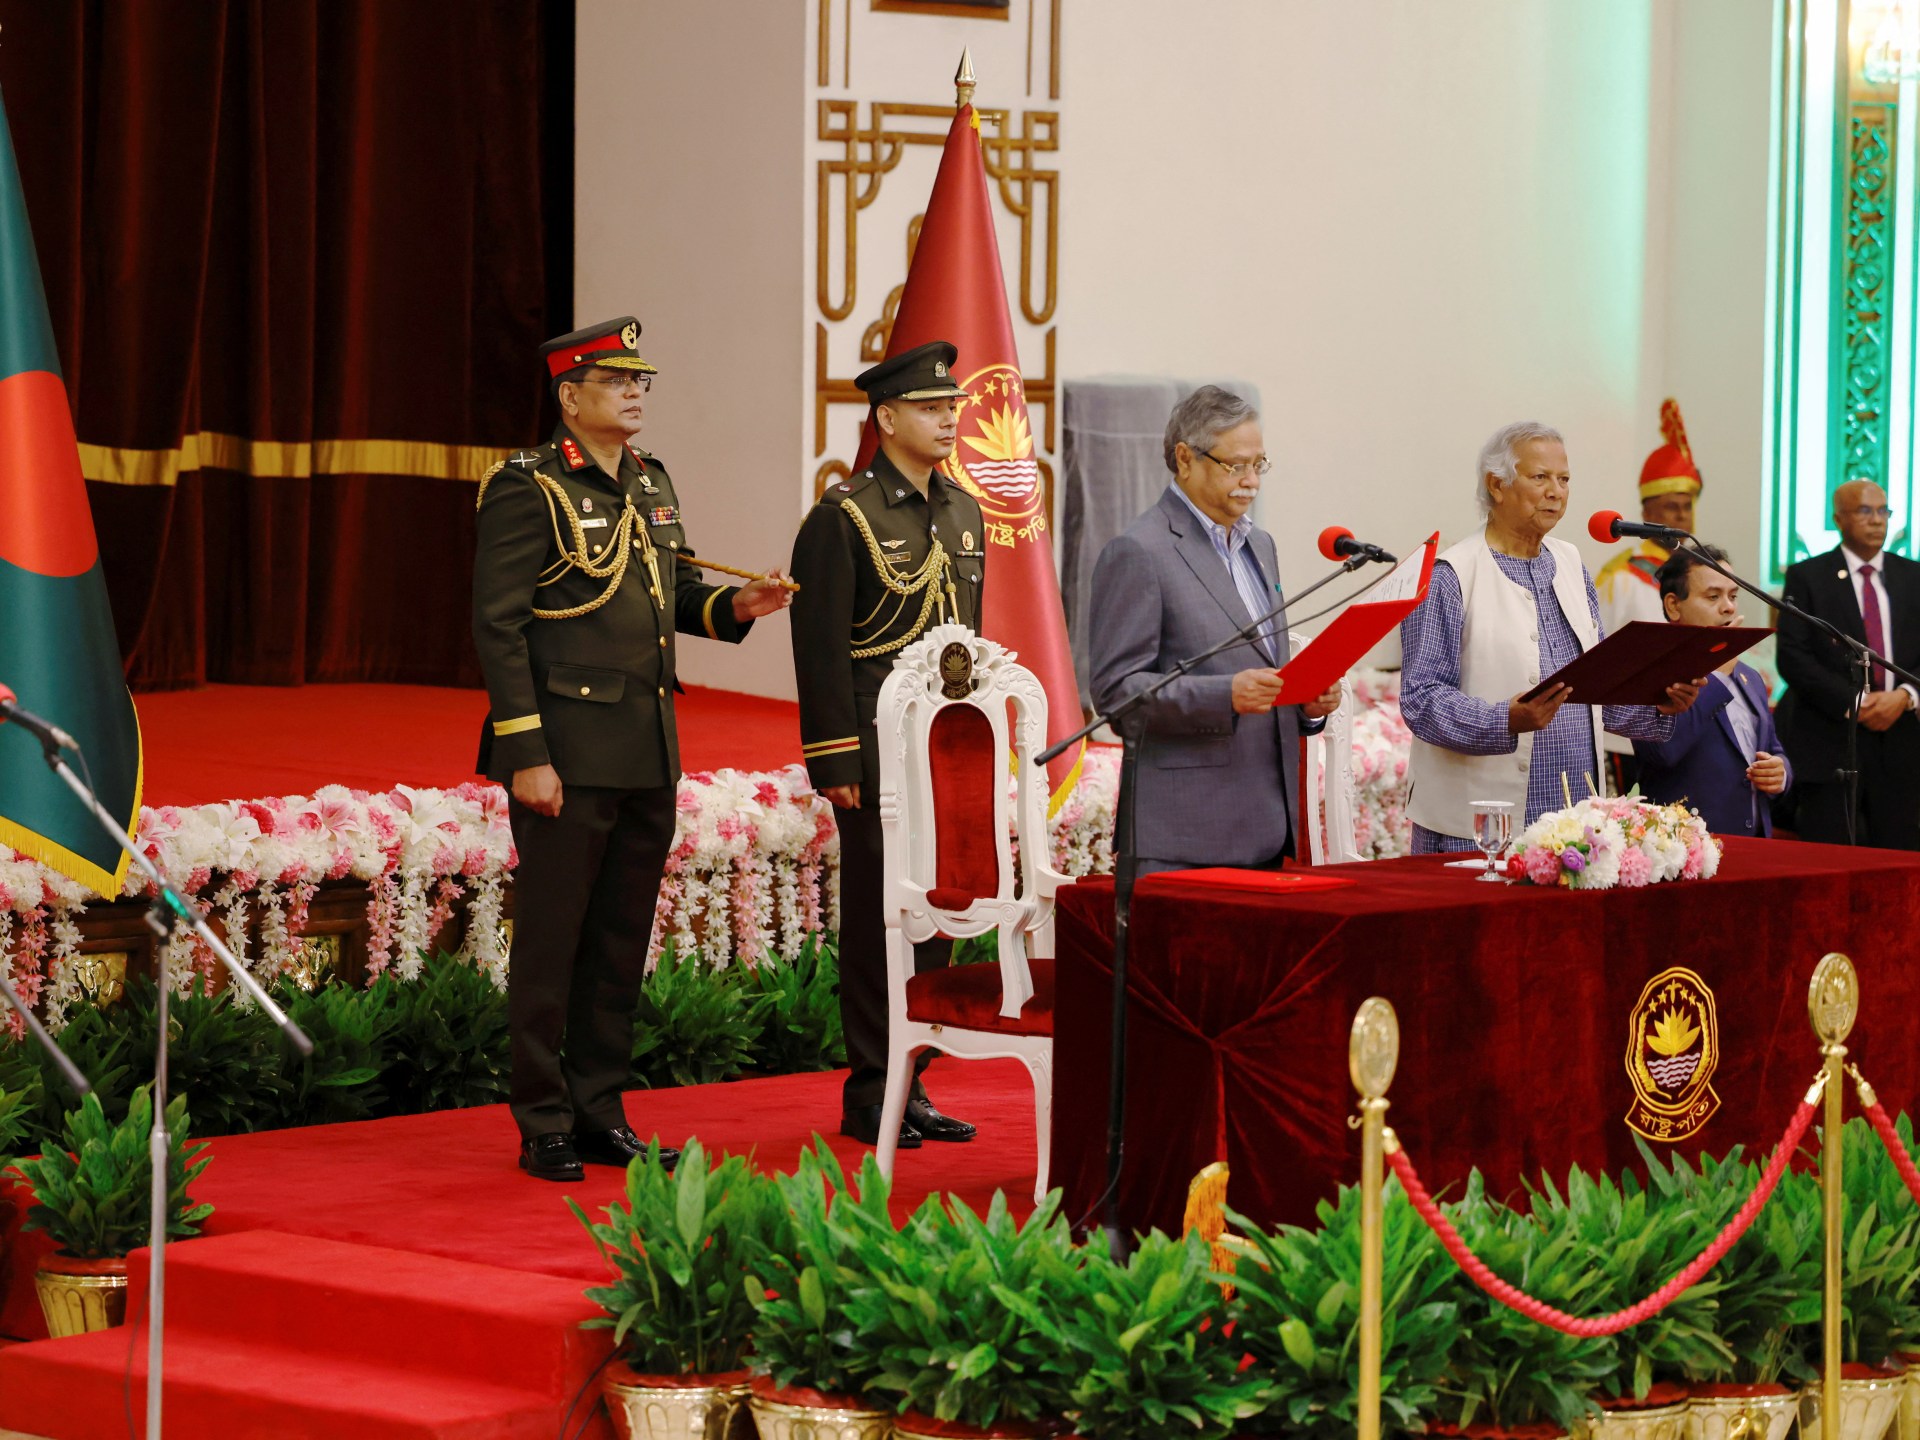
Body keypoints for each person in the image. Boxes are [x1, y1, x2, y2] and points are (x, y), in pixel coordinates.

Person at [472, 316, 792, 1182]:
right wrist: (526, 751)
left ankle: (599, 1110)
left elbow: (673, 592)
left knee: (617, 942)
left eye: (640, 381)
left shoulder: (650, 482)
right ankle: (542, 1119)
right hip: (566, 751)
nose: (635, 392)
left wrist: (736, 610)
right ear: (570, 397)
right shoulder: (528, 487)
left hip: (646, 744)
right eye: (617, 381)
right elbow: (499, 628)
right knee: (552, 942)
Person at [789, 340, 985, 1150]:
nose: (948, 420)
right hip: (875, 751)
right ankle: (874, 1088)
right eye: (933, 408)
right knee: (880, 925)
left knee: (940, 916)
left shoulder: (964, 510)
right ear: (887, 417)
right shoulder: (846, 516)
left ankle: (917, 1081)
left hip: (950, 752)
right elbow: (821, 646)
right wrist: (834, 761)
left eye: (953, 408)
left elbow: (972, 644)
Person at [1400, 421, 1702, 852]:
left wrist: (1658, 702)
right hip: (1475, 827)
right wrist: (1504, 719)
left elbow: (1593, 689)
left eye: (1564, 479)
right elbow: (1421, 698)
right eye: (1540, 477)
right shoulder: (1450, 575)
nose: (1556, 491)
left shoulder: (1572, 564)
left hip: (1572, 823)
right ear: (1497, 485)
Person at [1087, 385, 1341, 877]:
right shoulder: (1139, 551)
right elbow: (1117, 695)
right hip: (1184, 836)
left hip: (1267, 823)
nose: (1251, 482)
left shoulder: (1259, 545)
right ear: (1185, 458)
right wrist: (1224, 695)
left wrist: (1306, 705)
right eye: (1235, 466)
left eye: (1259, 465)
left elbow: (1264, 669)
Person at [1776, 479, 1920, 848]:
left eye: (1883, 511)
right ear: (1838, 519)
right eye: (1864, 511)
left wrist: (1905, 695)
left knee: (1899, 858)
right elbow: (1793, 657)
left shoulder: (1913, 576)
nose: (1877, 521)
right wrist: (1854, 702)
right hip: (1831, 741)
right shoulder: (1808, 576)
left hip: (1902, 741)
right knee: (1832, 855)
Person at [1634, 546, 1790, 836]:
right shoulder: (1653, 673)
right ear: (1673, 606)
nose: (1729, 607)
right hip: (1687, 845)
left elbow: (1772, 747)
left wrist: (1781, 772)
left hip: (1754, 841)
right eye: (1713, 596)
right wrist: (1715, 673)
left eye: (1733, 596)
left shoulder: (1748, 675)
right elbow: (1662, 752)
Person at [1595, 399, 1703, 790]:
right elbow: (1598, 650)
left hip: (1690, 717)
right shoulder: (1621, 576)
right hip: (1629, 730)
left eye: (1686, 507)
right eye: (1670, 507)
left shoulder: (1701, 569)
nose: (1680, 517)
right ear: (1647, 511)